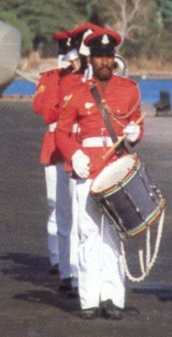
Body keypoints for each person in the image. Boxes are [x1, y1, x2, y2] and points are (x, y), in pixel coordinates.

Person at [54, 26, 143, 320]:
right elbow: (62, 134)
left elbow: (136, 126)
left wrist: (134, 133)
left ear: (114, 57)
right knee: (89, 233)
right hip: (88, 168)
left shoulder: (129, 90)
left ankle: (113, 297)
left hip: (116, 169)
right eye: (99, 57)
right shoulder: (76, 92)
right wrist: (74, 154)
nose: (104, 62)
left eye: (108, 56)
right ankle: (89, 299)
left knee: (114, 234)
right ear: (90, 59)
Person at [33, 30, 80, 280]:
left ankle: (72, 262)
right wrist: (60, 79)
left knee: (77, 208)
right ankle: (57, 257)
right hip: (55, 146)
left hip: (80, 143)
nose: (67, 58)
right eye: (64, 53)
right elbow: (45, 111)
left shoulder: (84, 78)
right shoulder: (50, 78)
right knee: (56, 204)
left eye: (70, 53)